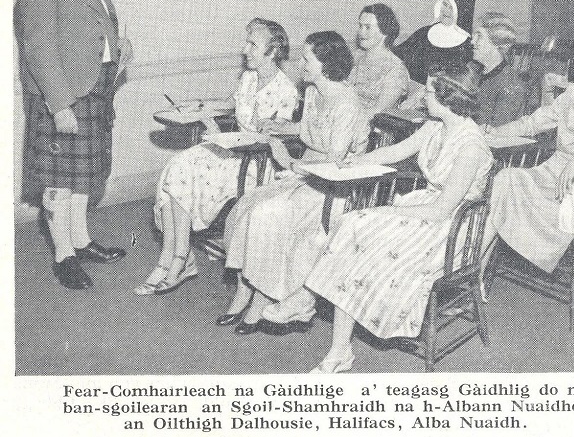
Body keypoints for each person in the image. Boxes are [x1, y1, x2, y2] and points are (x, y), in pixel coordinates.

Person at [306, 66, 493, 373]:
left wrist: (386, 211)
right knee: (354, 228)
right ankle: (339, 349)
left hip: (448, 228)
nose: (422, 96)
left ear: (449, 97)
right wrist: (357, 160)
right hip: (423, 208)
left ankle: (333, 334)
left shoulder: (470, 146)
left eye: (429, 92)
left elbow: (441, 211)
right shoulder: (437, 124)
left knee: (359, 228)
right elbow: (397, 151)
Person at [15, 0, 134, 290]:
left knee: (85, 174)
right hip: (65, 93)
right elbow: (39, 46)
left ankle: (81, 242)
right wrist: (59, 104)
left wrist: (116, 45)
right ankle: (64, 256)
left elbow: (90, 24)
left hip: (93, 87)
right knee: (60, 180)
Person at [218, 31, 370, 335]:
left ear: (325, 63)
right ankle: (245, 289)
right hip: (305, 176)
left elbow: (333, 162)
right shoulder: (314, 92)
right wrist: (284, 126)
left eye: (307, 58)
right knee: (248, 204)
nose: (300, 63)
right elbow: (311, 126)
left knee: (267, 215)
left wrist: (288, 162)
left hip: (333, 189)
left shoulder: (347, 105)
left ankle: (260, 299)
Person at [133, 19, 298, 295]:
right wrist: (202, 110)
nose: (245, 50)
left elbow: (273, 139)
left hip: (256, 162)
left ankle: (178, 259)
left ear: (272, 52)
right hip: (232, 151)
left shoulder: (286, 91)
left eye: (252, 45)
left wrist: (240, 136)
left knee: (189, 171)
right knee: (178, 166)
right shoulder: (249, 78)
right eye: (247, 42)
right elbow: (232, 108)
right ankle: (173, 256)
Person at [479, 38, 574, 290]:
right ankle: (476, 274)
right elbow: (531, 123)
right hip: (549, 175)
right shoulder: (571, 96)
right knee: (506, 178)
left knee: (500, 197)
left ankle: (474, 276)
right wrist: (492, 133)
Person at [394, 0, 476, 85]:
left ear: (462, 12)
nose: (446, 11)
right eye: (445, 4)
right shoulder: (424, 32)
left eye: (452, 8)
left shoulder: (467, 47)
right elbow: (397, 55)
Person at [471, 12, 532, 126]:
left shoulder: (511, 85)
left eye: (479, 36)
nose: (472, 41)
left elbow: (496, 133)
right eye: (473, 36)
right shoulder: (472, 70)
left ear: (497, 42)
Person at [348, 4, 409, 117]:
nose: (361, 32)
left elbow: (378, 111)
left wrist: (344, 117)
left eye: (368, 27)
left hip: (370, 126)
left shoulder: (396, 69)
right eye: (360, 26)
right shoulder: (356, 56)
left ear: (384, 31)